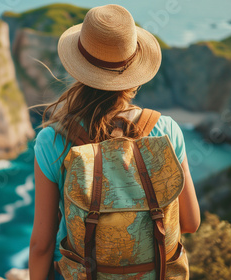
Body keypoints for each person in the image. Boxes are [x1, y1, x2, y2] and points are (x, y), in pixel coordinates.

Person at [29, 4, 200, 280]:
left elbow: (42, 245)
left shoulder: (52, 140)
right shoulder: (167, 130)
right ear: (134, 70)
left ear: (78, 70)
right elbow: (190, 222)